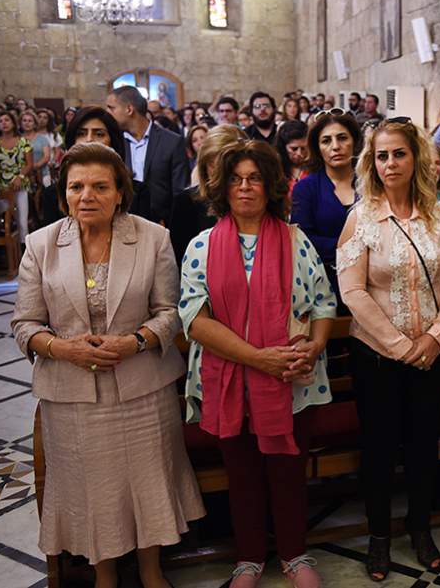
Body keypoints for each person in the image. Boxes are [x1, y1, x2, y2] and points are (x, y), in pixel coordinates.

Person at [11, 143, 205, 588]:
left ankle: (152, 571)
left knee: (148, 484)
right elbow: (24, 324)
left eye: (100, 186)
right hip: (71, 394)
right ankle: (105, 574)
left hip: (142, 389)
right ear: (64, 193)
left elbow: (170, 312)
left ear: (120, 193)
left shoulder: (152, 238)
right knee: (93, 492)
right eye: (76, 187)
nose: (87, 196)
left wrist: (135, 342)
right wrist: (63, 349)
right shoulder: (41, 245)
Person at [181, 137, 335, 588]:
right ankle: (248, 559)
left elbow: (324, 304)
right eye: (235, 179)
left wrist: (314, 347)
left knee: (288, 471)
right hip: (227, 380)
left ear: (270, 186)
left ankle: (294, 555)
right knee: (242, 475)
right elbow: (194, 319)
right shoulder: (202, 246)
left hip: (292, 378)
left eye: (254, 179)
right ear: (222, 188)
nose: (245, 187)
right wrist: (258, 359)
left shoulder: (296, 239)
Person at [336, 118, 440, 581]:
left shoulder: (437, 216)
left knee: (423, 445)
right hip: (377, 357)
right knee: (379, 448)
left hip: (431, 353)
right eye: (382, 156)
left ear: (416, 158)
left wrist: (436, 336)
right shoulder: (361, 219)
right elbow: (352, 291)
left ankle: (420, 527)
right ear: (372, 163)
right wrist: (398, 345)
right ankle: (379, 536)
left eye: (399, 154)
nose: (390, 163)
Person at [290, 112, 360, 306]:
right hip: (325, 285)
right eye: (326, 141)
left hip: (373, 283)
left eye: (342, 138)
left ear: (354, 142)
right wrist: (352, 247)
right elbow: (302, 240)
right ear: (317, 148)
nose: (335, 146)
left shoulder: (371, 184)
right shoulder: (306, 188)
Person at [106, 85, 189, 226]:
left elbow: (179, 192)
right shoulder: (113, 143)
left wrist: (170, 223)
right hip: (120, 223)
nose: (107, 113)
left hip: (162, 225)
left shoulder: (171, 142)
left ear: (129, 109)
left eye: (111, 108)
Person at [168, 125, 227, 266]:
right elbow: (179, 256)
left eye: (226, 162)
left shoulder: (251, 198)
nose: (220, 170)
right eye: (213, 163)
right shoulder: (186, 201)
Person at [0, 108, 34, 253]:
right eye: (0, 121)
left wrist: (20, 177)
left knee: (22, 221)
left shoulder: (23, 142)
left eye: (7, 120)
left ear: (13, 123)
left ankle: (25, 252)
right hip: (0, 187)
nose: (4, 123)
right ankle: (2, 253)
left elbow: (29, 164)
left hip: (19, 185)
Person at [279, 119, 309, 199]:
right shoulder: (276, 169)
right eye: (294, 149)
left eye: (303, 148)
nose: (299, 153)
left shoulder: (315, 168)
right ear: (283, 147)